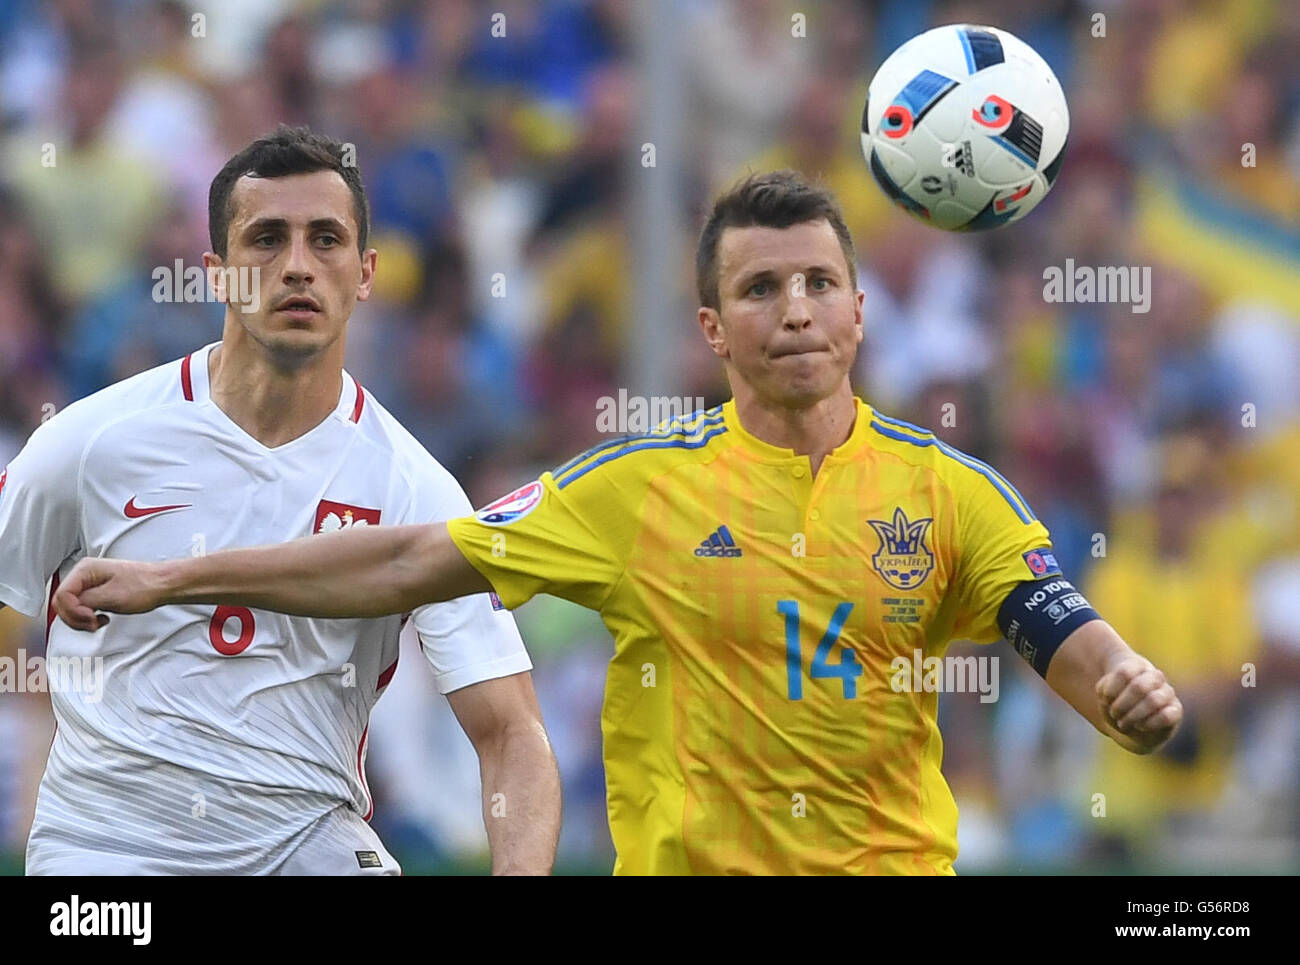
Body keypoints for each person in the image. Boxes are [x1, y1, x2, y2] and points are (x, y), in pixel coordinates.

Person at [54, 170, 1183, 875]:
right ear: (712, 327)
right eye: (758, 290)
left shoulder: (954, 491)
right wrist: (175, 580)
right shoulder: (633, 487)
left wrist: (1127, 693)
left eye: (815, 283)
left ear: (857, 307)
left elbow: (1064, 636)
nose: (792, 309)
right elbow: (407, 560)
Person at [0, 126, 560, 875]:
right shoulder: (92, 440)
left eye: (324, 239)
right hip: (109, 848)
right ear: (217, 273)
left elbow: (512, 733)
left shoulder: (414, 487)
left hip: (304, 840)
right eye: (266, 239)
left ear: (365, 274)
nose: (297, 266)